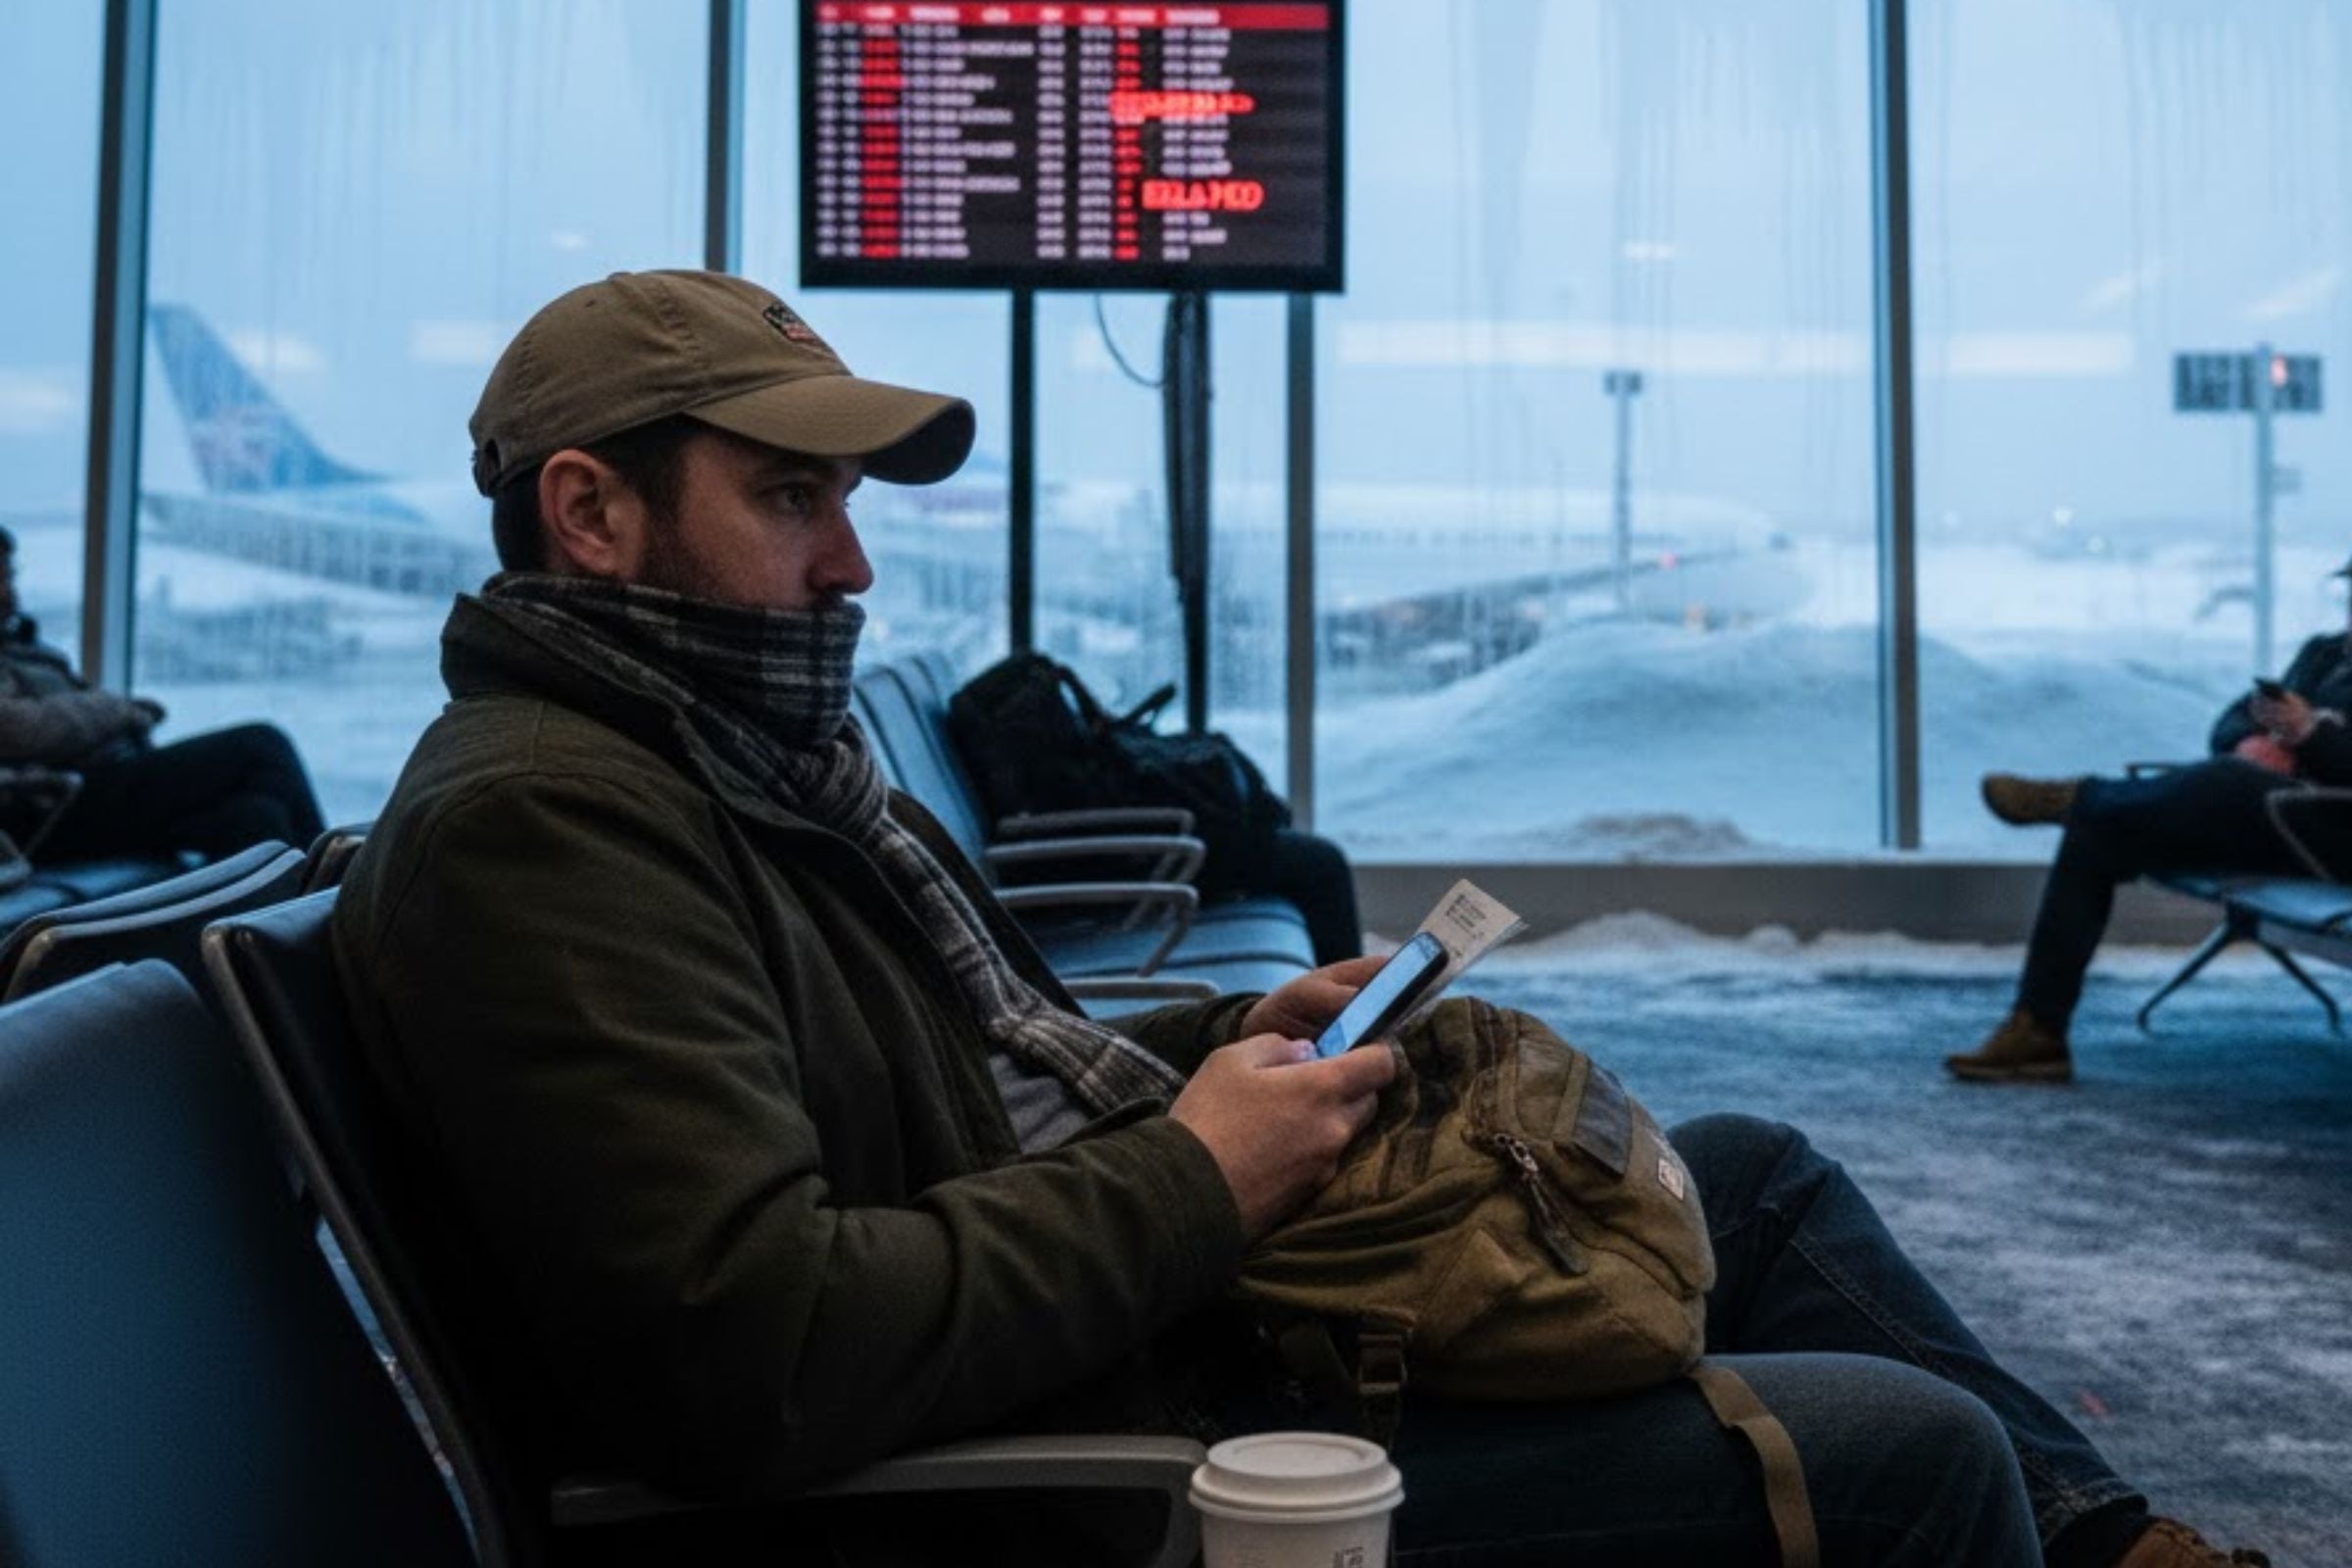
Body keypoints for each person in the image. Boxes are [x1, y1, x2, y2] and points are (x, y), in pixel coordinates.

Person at [331, 270, 2263, 1568]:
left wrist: (1232, 1037)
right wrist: (1202, 1171)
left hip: (1121, 1337)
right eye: (788, 499)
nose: (849, 563)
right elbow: (756, 1354)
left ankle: (2119, 1546)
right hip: (1073, 1468)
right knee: (1909, 1453)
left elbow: (960, 1072)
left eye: (845, 501)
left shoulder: (738, 762)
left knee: (1742, 1175)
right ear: (590, 512)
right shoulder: (553, 827)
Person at [1950, 560, 2352, 1085]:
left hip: (2333, 833)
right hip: (2267, 822)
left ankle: (2078, 796)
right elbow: (2230, 721)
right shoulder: (2322, 654)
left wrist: (2312, 736)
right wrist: (2254, 739)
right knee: (2099, 832)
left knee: (2223, 781)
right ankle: (2037, 1031)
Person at [0, 527, 325, 861]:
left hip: (94, 784)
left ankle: (309, 890)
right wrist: (120, 711)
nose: (10, 593)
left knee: (256, 816)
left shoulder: (19, 644)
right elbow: (22, 728)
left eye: (10, 577)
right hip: (51, 801)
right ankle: (341, 884)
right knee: (261, 745)